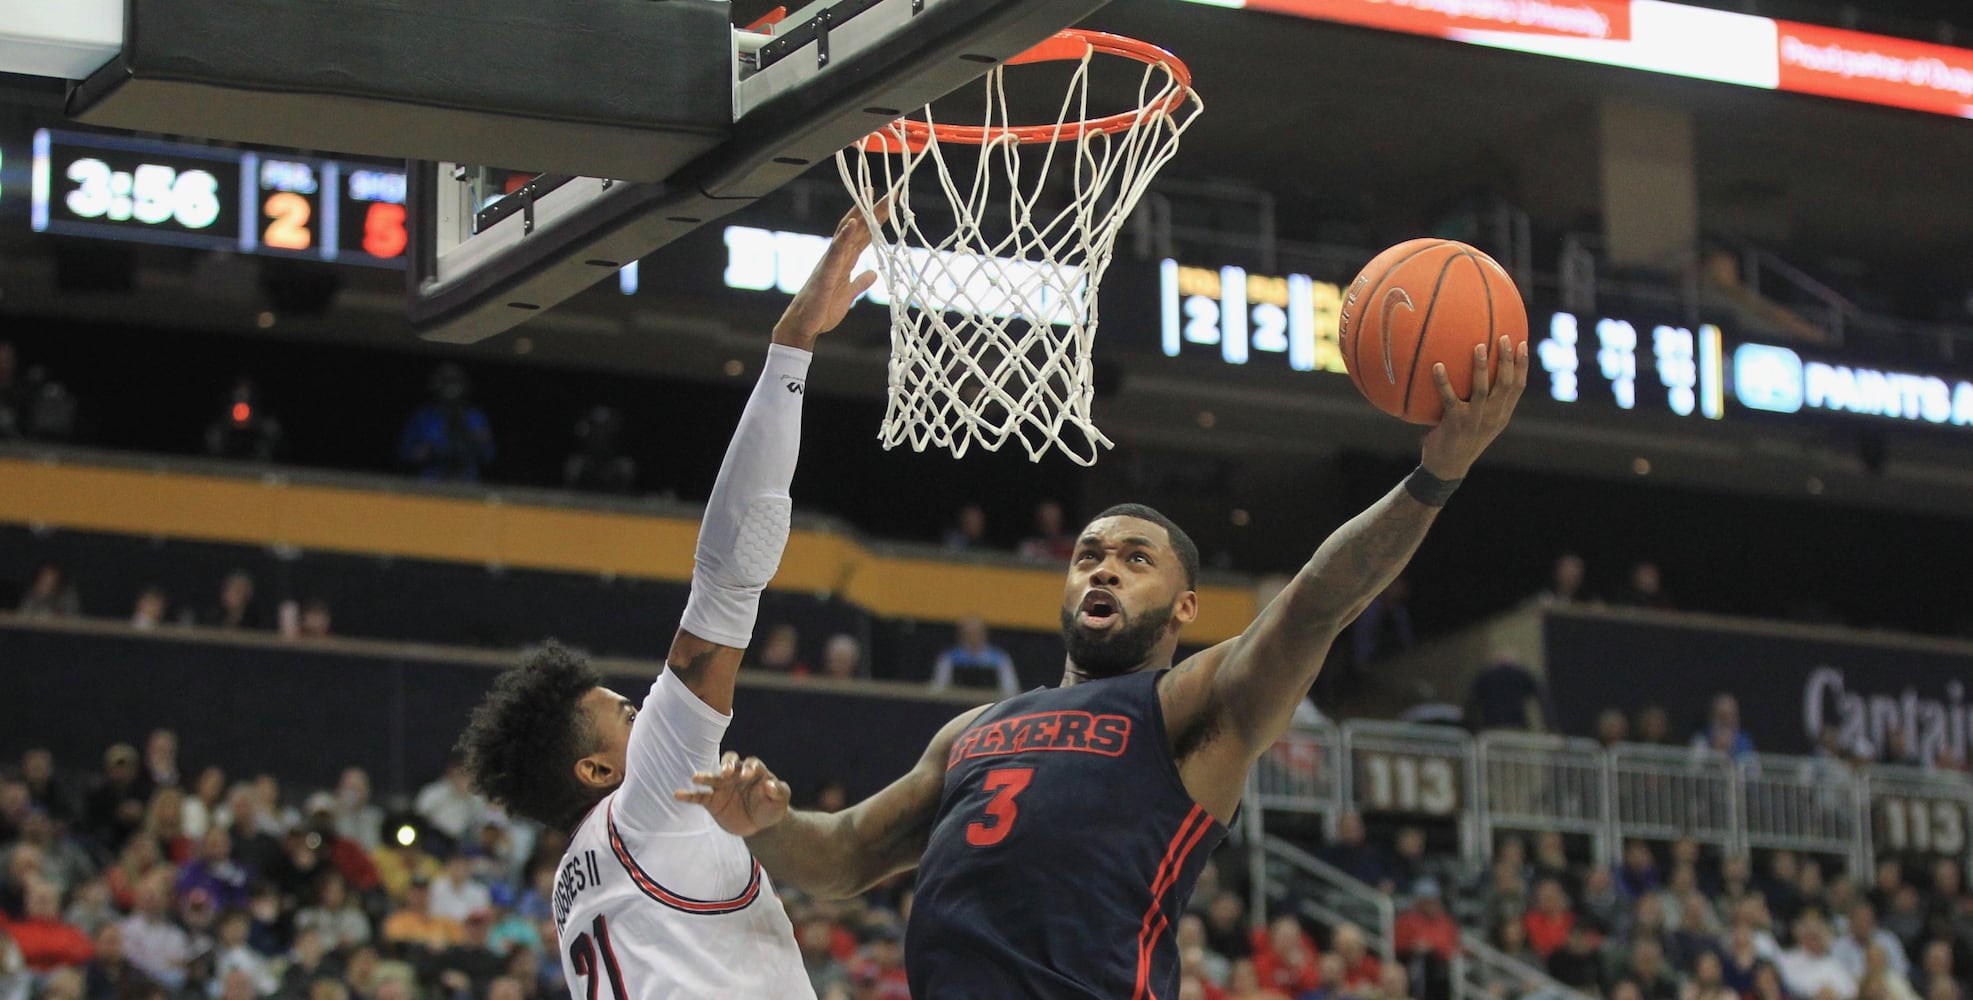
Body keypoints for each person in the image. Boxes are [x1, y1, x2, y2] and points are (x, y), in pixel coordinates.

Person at [681, 334, 1531, 997]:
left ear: (1185, 607)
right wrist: (764, 823)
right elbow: (843, 855)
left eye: (1133, 559)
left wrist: (1435, 474)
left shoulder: (1188, 707)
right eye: (1088, 554)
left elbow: (1316, 602)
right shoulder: (974, 730)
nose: (1102, 569)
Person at [452, 202, 883, 999]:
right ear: (596, 768)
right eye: (626, 715)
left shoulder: (575, 886)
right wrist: (792, 346)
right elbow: (726, 581)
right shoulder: (645, 803)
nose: (646, 717)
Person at [400, 363, 496, 482]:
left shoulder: (475, 416)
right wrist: (422, 452)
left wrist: (480, 443)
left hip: (466, 479)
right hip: (431, 479)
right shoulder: (423, 416)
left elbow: (489, 455)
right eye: (446, 381)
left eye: (455, 381)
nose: (451, 387)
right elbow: (404, 453)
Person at [928, 617, 1020, 698]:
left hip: (989, 706)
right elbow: (938, 688)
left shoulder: (999, 658)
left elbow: (1011, 689)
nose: (972, 637)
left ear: (984, 633)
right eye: (968, 633)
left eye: (976, 632)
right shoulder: (949, 657)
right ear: (960, 634)